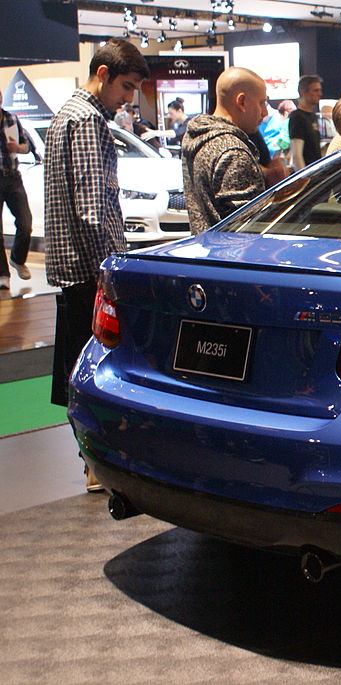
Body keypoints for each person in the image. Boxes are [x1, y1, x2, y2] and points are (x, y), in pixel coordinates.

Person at [43, 38, 149, 490]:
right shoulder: (87, 120)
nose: (128, 98)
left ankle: (90, 462)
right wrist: (110, 271)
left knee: (78, 365)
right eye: (126, 86)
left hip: (72, 267)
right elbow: (92, 207)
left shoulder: (67, 113)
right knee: (95, 371)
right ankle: (95, 464)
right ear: (102, 74)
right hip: (90, 269)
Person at [181, 67, 268, 234]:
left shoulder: (195, 136)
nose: (265, 112)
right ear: (242, 102)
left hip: (204, 245)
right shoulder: (234, 151)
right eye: (262, 103)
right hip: (230, 250)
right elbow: (247, 228)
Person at [0, 87, 32, 289]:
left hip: (13, 177)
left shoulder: (11, 119)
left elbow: (27, 146)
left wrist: (17, 148)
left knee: (25, 222)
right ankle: (3, 274)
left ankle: (18, 259)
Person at [289, 74, 322, 170]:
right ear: (303, 92)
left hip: (316, 172)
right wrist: (304, 177)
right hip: (308, 174)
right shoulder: (297, 117)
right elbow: (296, 154)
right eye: (315, 90)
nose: (320, 94)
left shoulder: (312, 116)